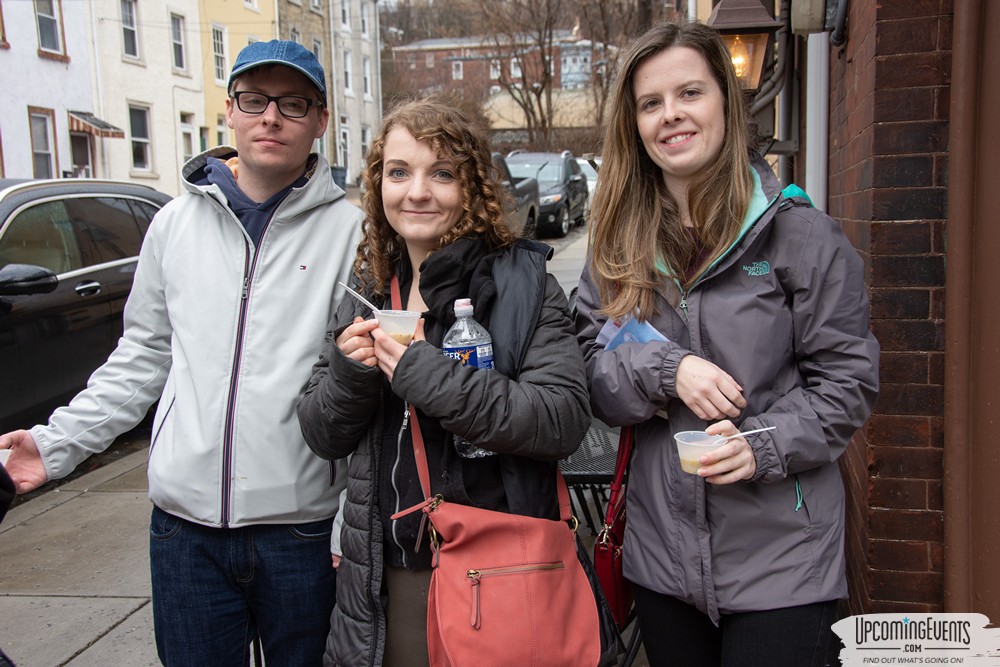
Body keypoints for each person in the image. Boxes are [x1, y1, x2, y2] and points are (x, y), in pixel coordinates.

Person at [0, 39, 364, 665]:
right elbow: (141, 358)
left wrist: (345, 525)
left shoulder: (353, 233)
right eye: (255, 99)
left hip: (303, 533)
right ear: (230, 111)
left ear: (320, 120)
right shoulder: (174, 225)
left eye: (293, 103)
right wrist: (54, 446)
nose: (271, 117)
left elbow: (362, 393)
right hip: (185, 536)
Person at [575, 21, 880, 667]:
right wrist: (667, 368)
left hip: (784, 560)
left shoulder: (801, 236)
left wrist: (760, 443)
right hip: (661, 559)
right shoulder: (617, 247)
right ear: (634, 124)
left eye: (690, 92)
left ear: (726, 102)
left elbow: (847, 385)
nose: (671, 114)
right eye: (651, 102)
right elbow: (589, 368)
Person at [296, 98, 592, 666]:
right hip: (385, 574)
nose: (417, 192)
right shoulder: (371, 286)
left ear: (473, 186)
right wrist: (351, 374)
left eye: (442, 173)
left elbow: (561, 418)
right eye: (398, 172)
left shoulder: (521, 282)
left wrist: (423, 372)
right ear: (378, 185)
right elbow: (320, 433)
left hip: (495, 567)